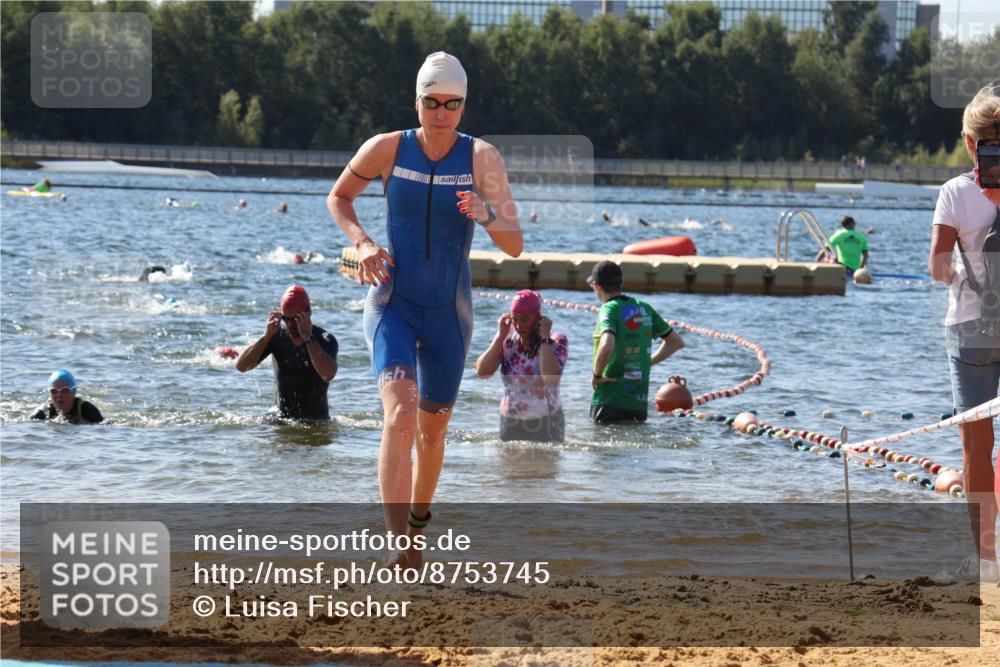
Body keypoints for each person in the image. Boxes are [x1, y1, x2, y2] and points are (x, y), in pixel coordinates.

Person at [327, 51, 523, 569]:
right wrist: (364, 243)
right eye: (432, 102)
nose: (441, 112)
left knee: (433, 433)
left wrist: (486, 214)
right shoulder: (387, 148)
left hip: (449, 314)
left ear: (463, 106)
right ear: (417, 101)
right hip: (394, 301)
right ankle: (397, 544)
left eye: (452, 104)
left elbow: (515, 244)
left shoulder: (482, 158)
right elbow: (339, 199)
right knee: (399, 414)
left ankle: (415, 528)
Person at [927, 84, 1000, 584]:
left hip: (972, 327)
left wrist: (962, 273)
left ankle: (988, 561)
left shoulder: (955, 192)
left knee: (976, 449)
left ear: (971, 142)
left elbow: (935, 267)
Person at [589, 260, 684, 424]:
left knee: (603, 447)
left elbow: (607, 343)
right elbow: (675, 342)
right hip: (638, 403)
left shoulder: (608, 309)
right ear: (621, 283)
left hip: (609, 399)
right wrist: (647, 362)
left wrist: (596, 375)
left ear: (597, 286)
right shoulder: (644, 308)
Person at [475, 290, 568, 442]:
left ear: (538, 319)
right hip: (510, 421)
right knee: (509, 466)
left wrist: (544, 339)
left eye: (525, 320)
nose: (518, 325)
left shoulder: (556, 341)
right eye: (515, 319)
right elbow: (483, 372)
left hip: (547, 421)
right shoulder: (507, 339)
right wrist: (500, 336)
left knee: (544, 465)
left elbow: (551, 378)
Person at [235, 284, 339, 421]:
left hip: (315, 422)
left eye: (295, 319)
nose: (289, 324)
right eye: (286, 319)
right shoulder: (276, 338)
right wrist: (266, 337)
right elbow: (241, 366)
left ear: (308, 312)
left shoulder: (324, 339)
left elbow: (328, 374)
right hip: (281, 420)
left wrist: (308, 339)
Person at [31, 369, 103, 424]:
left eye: (64, 390)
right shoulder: (43, 411)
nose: (59, 395)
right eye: (54, 391)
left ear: (73, 392)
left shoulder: (88, 410)